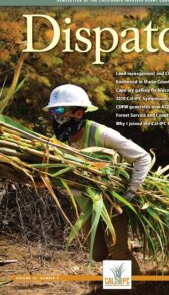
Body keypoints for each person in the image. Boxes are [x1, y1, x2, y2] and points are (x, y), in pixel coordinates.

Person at [43, 84, 151, 275]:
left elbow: (143, 157)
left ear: (78, 114)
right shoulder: (58, 142)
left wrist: (130, 194)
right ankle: (122, 254)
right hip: (86, 204)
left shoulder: (100, 133)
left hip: (112, 200)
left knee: (116, 250)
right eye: (53, 111)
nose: (55, 116)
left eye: (60, 110)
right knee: (97, 253)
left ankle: (132, 286)